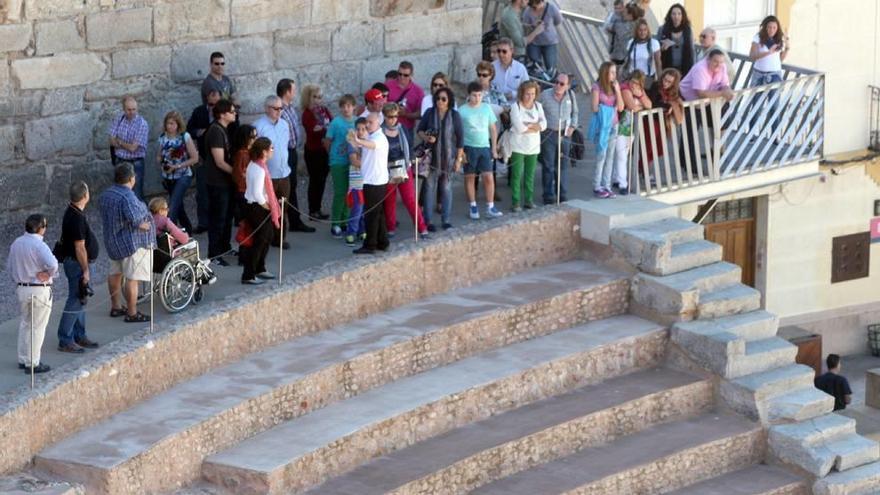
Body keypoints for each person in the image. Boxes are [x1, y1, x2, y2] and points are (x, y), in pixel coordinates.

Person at [100, 162, 155, 323]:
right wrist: (147, 225)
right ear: (131, 178)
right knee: (132, 278)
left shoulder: (106, 194)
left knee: (114, 273)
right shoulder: (128, 197)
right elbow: (137, 221)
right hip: (130, 243)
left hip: (112, 241)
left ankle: (116, 307)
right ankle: (132, 313)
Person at [8, 214, 57, 373]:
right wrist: (48, 274)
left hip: (22, 288)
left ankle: (23, 359)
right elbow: (53, 264)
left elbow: (9, 266)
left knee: (25, 323)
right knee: (37, 327)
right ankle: (33, 363)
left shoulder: (16, 243)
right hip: (38, 290)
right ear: (41, 228)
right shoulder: (39, 245)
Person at [56, 181, 100, 354]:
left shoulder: (72, 211)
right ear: (85, 196)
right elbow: (79, 247)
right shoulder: (77, 218)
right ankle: (65, 339)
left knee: (81, 299)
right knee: (75, 300)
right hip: (77, 264)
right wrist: (86, 270)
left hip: (74, 263)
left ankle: (79, 334)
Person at [418, 87, 464, 230]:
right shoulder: (429, 113)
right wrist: (426, 137)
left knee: (446, 189)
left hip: (448, 159)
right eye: (438, 98)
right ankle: (428, 221)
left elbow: (460, 139)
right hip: (431, 158)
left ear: (449, 100)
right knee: (429, 189)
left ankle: (446, 219)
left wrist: (458, 160)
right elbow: (419, 130)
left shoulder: (454, 115)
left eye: (443, 99)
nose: (440, 102)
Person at [679, 50, 733, 167]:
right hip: (688, 100)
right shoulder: (700, 69)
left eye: (721, 62)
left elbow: (725, 84)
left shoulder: (722, 66)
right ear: (708, 60)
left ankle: (717, 153)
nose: (718, 65)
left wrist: (727, 90)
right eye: (715, 62)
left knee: (719, 119)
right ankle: (688, 164)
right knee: (690, 132)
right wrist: (723, 93)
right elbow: (701, 93)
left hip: (707, 101)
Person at [382, 103, 429, 238]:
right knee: (390, 200)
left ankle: (422, 228)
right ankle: (390, 228)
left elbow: (409, 146)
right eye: (390, 117)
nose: (393, 119)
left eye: (395, 116)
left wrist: (413, 158)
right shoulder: (380, 131)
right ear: (384, 117)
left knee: (410, 199)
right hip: (388, 168)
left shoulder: (403, 129)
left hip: (403, 167)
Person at [459, 82, 503, 220]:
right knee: (470, 178)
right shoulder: (462, 110)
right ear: (469, 95)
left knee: (488, 177)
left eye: (479, 95)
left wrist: (494, 148)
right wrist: (460, 152)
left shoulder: (486, 108)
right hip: (468, 147)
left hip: (484, 147)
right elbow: (457, 133)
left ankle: (490, 206)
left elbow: (493, 129)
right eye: (474, 95)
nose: (477, 98)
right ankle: (473, 206)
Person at [277, 78, 316, 234]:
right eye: (293, 89)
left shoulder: (290, 107)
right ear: (287, 92)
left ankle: (294, 220)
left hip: (292, 151)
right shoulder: (279, 109)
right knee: (288, 187)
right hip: (285, 152)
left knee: (292, 186)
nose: (295, 92)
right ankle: (290, 222)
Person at [241, 138, 281, 285]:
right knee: (259, 241)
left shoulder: (258, 165)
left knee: (267, 237)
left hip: (257, 206)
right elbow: (258, 194)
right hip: (257, 207)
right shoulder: (258, 169)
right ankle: (248, 274)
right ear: (264, 151)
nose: (272, 150)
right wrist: (269, 207)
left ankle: (260, 268)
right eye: (271, 148)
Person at [348, 112, 390, 254]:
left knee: (371, 214)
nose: (367, 124)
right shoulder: (372, 136)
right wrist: (357, 141)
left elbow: (371, 145)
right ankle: (382, 241)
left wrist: (358, 141)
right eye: (367, 122)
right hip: (373, 180)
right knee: (378, 213)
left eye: (370, 122)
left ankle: (370, 244)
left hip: (375, 182)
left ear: (378, 123)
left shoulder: (379, 138)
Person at [255, 95, 292, 250]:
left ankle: (279, 239)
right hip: (268, 175)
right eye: (275, 108)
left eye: (281, 108)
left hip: (284, 173)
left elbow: (286, 145)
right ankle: (264, 239)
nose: (279, 111)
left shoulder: (284, 124)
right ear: (266, 108)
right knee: (266, 209)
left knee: (283, 209)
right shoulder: (259, 126)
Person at [203, 99, 237, 265]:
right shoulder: (216, 131)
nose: (234, 113)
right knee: (218, 218)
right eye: (231, 111)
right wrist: (237, 174)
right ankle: (214, 254)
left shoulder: (223, 129)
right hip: (217, 182)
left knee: (227, 216)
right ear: (223, 114)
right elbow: (220, 161)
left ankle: (225, 246)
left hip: (225, 182)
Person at [538, 73, 578, 204]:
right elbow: (536, 110)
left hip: (564, 134)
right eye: (556, 82)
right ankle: (548, 195)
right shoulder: (545, 95)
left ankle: (562, 193)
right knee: (548, 165)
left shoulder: (571, 95)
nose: (558, 85)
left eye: (561, 84)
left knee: (563, 166)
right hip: (548, 133)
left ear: (567, 86)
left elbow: (575, 112)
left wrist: (573, 126)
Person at [157, 111, 198, 233]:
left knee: (173, 204)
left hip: (183, 175)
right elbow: (158, 156)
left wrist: (177, 166)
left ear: (178, 124)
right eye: (168, 123)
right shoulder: (162, 138)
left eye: (172, 123)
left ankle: (169, 232)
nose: (170, 126)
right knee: (178, 205)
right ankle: (188, 230)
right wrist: (161, 163)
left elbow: (194, 158)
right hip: (168, 176)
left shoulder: (185, 137)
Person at [748, 16, 789, 137]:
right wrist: (768, 52)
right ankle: (751, 135)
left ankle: (775, 136)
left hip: (774, 74)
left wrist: (787, 46)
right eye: (769, 27)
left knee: (774, 107)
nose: (772, 30)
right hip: (760, 74)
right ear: (765, 27)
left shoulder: (778, 39)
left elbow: (780, 59)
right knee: (756, 106)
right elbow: (752, 55)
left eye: (774, 27)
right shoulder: (758, 37)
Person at [187, 88, 221, 234]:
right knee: (202, 193)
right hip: (203, 157)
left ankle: (221, 220)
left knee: (220, 192)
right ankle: (203, 223)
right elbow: (189, 130)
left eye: (216, 104)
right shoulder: (199, 112)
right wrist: (198, 132)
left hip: (220, 158)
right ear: (207, 99)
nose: (214, 107)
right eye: (211, 104)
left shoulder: (225, 112)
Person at [508, 80, 546, 211]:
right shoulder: (515, 107)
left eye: (533, 93)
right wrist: (534, 126)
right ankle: (516, 201)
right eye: (527, 94)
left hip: (533, 146)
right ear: (521, 93)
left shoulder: (538, 106)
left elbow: (544, 125)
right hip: (518, 146)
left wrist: (528, 126)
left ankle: (529, 200)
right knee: (517, 175)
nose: (530, 96)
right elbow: (519, 128)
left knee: (530, 175)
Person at [589, 62, 623, 198]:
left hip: (614, 125)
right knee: (601, 156)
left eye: (615, 72)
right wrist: (609, 108)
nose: (615, 75)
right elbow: (595, 108)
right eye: (612, 72)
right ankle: (597, 185)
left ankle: (607, 185)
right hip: (602, 126)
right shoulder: (596, 87)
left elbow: (620, 107)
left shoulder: (615, 87)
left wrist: (618, 91)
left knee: (610, 157)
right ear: (605, 73)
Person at [324, 95, 357, 237]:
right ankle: (336, 223)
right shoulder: (336, 123)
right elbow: (327, 140)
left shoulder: (356, 122)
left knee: (349, 192)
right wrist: (332, 155)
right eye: (343, 106)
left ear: (354, 107)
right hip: (338, 162)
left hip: (352, 162)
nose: (346, 109)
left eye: (349, 106)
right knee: (340, 192)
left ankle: (345, 221)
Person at [615, 70, 652, 194]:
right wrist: (641, 105)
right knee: (621, 154)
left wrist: (641, 95)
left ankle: (616, 177)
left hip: (631, 126)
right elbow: (632, 107)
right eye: (632, 82)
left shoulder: (639, 90)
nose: (633, 85)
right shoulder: (625, 89)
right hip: (621, 125)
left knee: (624, 153)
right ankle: (623, 184)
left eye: (637, 83)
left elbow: (650, 105)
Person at [301, 84, 333, 221]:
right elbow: (313, 130)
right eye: (314, 97)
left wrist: (323, 128)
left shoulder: (324, 110)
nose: (317, 100)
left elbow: (332, 124)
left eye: (320, 97)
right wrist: (325, 128)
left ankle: (317, 209)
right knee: (315, 181)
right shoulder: (307, 113)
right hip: (314, 151)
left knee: (322, 180)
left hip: (324, 150)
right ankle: (313, 210)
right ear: (308, 97)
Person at [108, 95, 149, 200]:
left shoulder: (142, 124)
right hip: (120, 161)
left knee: (136, 194)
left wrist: (120, 142)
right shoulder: (119, 119)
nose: (132, 112)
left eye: (134, 109)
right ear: (124, 109)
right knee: (120, 193)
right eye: (129, 109)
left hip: (135, 163)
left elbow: (133, 148)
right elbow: (111, 140)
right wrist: (125, 144)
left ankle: (139, 216)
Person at [385, 61, 425, 146]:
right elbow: (381, 106)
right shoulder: (388, 86)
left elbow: (420, 113)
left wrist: (406, 114)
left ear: (411, 75)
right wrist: (392, 110)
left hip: (407, 129)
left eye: (405, 75)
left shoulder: (418, 91)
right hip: (389, 128)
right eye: (400, 74)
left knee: (406, 156)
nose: (402, 77)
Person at [344, 118, 368, 247]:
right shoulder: (352, 143)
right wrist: (367, 162)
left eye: (363, 129)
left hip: (366, 181)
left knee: (364, 208)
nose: (360, 131)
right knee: (357, 208)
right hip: (356, 182)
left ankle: (361, 230)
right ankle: (351, 232)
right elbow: (354, 161)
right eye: (358, 129)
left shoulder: (368, 142)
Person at [522, 0, 563, 74]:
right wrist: (533, 26)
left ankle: (550, 84)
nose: (535, 8)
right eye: (533, 7)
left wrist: (548, 28)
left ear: (541, 2)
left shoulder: (551, 8)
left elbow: (558, 21)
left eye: (536, 5)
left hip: (550, 43)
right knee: (535, 68)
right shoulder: (528, 11)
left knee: (551, 68)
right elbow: (524, 26)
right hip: (533, 43)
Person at [656, 4, 695, 76]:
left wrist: (693, 68)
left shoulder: (688, 30)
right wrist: (663, 48)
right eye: (673, 14)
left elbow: (692, 50)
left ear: (683, 16)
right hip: (667, 66)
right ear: (670, 15)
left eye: (679, 14)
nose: (676, 16)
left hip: (685, 67)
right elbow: (656, 48)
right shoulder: (662, 29)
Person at [491, 38, 530, 103]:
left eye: (504, 51)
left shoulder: (520, 68)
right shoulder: (492, 66)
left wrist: (513, 94)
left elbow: (527, 89)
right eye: (498, 51)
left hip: (514, 105)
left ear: (512, 51)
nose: (501, 54)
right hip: (496, 104)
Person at [624, 19, 661, 85]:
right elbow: (627, 61)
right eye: (640, 30)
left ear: (648, 30)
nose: (643, 32)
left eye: (645, 30)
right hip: (633, 77)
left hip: (647, 78)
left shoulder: (654, 43)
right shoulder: (631, 42)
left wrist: (659, 79)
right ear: (636, 31)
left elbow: (658, 63)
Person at [605, 1, 642, 66]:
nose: (623, 13)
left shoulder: (626, 26)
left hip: (620, 56)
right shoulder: (634, 24)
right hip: (621, 55)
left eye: (625, 12)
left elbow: (608, 28)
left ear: (630, 16)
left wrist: (611, 27)